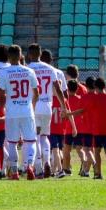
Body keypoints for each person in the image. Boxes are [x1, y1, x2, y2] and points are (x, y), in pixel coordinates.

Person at [26, 44, 67, 179]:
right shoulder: (50, 69)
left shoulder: (27, 69)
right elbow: (58, 89)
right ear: (40, 53)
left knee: (35, 137)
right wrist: (63, 106)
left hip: (33, 106)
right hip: (47, 106)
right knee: (45, 136)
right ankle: (47, 162)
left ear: (30, 55)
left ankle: (38, 167)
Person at [0, 45, 39, 180]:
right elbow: (36, 93)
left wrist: (2, 108)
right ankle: (29, 166)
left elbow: (2, 94)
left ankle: (15, 172)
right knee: (31, 141)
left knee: (12, 143)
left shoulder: (4, 72)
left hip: (12, 112)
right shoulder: (29, 71)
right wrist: (31, 106)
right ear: (21, 55)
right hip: (27, 110)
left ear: (9, 57)